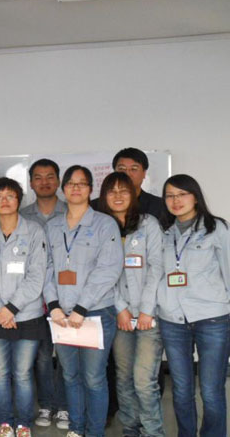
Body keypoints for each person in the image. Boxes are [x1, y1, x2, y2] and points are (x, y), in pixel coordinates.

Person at [44, 165, 123, 437]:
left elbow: (109, 269)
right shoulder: (52, 226)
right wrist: (53, 305)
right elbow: (44, 267)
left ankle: (95, 431)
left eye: (82, 183)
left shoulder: (105, 224)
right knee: (70, 375)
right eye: (70, 183)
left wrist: (81, 307)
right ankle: (77, 429)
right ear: (63, 188)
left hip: (95, 313)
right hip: (61, 315)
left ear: (91, 189)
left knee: (94, 377)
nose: (76, 188)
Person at [157, 174, 230, 437]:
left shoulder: (216, 228)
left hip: (212, 318)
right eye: (170, 196)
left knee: (211, 390)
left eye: (182, 194)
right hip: (172, 320)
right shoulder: (163, 232)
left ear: (195, 196)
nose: (175, 200)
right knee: (181, 389)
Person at [97, 172, 165, 437]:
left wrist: (146, 309)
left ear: (133, 194)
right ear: (104, 196)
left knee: (144, 380)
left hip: (149, 316)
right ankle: (131, 429)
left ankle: (153, 432)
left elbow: (157, 267)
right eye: (111, 191)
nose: (117, 196)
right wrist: (121, 309)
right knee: (123, 378)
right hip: (120, 316)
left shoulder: (149, 224)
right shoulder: (101, 227)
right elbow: (103, 273)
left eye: (123, 190)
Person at [0, 177, 48, 437]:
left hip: (27, 314)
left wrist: (11, 308)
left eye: (10, 195)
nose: (5, 200)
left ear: (19, 200)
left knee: (22, 373)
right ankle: (5, 422)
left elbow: (37, 275)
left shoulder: (34, 231)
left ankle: (23, 423)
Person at [19, 159, 69, 430]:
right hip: (34, 301)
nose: (44, 182)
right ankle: (47, 404)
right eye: (38, 177)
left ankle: (64, 406)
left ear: (58, 181)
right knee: (41, 356)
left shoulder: (71, 210)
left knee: (66, 356)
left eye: (50, 176)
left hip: (66, 297)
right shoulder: (23, 216)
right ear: (31, 183)